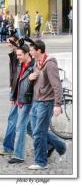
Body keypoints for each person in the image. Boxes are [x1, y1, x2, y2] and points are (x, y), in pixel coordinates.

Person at [28, 40, 66, 170]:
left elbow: (57, 85)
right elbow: (36, 82)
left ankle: (41, 162)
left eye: (32, 50)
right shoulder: (37, 63)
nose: (30, 52)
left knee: (39, 133)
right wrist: (31, 78)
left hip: (46, 103)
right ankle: (60, 146)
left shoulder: (49, 64)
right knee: (33, 130)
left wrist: (58, 104)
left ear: (38, 50)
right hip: (36, 101)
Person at [7, 44, 35, 164]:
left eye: (19, 55)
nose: (17, 57)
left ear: (27, 53)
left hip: (28, 100)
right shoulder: (20, 64)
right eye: (17, 55)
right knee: (30, 127)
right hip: (19, 99)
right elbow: (16, 81)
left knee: (20, 127)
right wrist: (13, 96)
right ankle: (51, 143)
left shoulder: (34, 66)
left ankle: (18, 155)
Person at [0, 35, 20, 156]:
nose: (8, 44)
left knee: (13, 119)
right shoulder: (12, 55)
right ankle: (50, 143)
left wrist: (14, 91)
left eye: (11, 42)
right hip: (15, 89)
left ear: (17, 42)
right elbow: (13, 72)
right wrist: (10, 84)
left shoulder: (20, 54)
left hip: (19, 91)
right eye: (8, 42)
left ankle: (8, 147)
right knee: (27, 124)